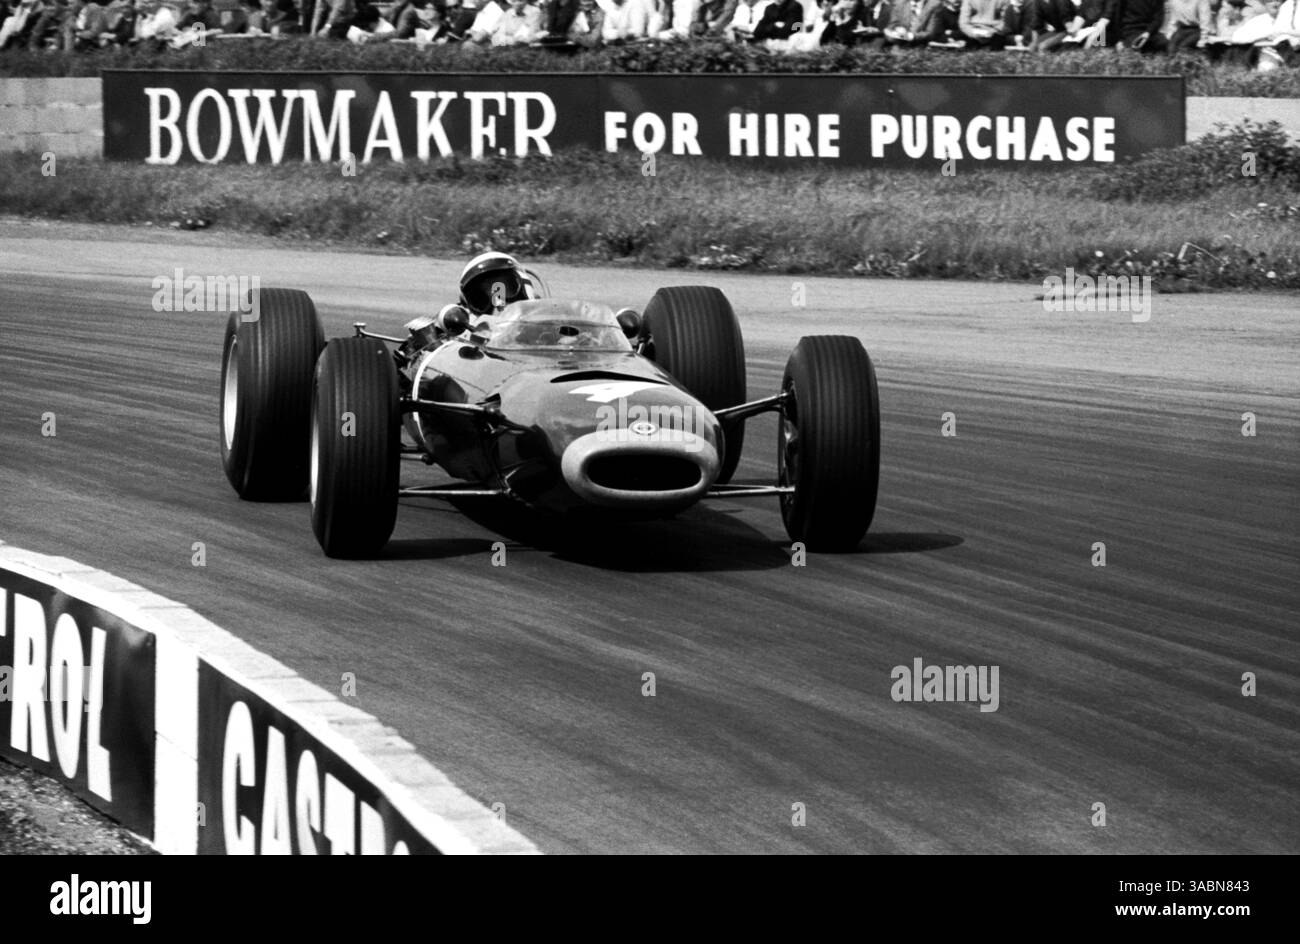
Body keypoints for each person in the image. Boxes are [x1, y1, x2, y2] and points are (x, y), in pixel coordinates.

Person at [459, 253, 541, 316]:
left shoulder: (547, 324)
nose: (498, 303)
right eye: (482, 298)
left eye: (504, 291)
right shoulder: (468, 333)